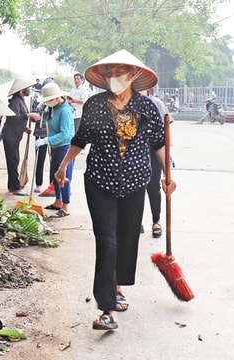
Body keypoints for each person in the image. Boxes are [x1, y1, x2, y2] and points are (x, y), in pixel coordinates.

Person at [54, 49, 176, 331]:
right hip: (100, 181)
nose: (113, 77)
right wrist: (62, 167)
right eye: (109, 73)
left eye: (119, 72)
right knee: (107, 240)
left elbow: (159, 143)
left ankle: (117, 288)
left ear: (133, 75)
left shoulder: (147, 108)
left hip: (135, 182)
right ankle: (107, 307)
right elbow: (80, 139)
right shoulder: (96, 105)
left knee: (127, 237)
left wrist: (169, 176)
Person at [36, 82, 75, 217]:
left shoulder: (65, 110)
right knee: (54, 174)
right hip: (55, 147)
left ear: (56, 98)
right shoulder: (52, 108)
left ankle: (65, 206)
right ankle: (58, 201)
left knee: (63, 177)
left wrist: (47, 140)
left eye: (48, 100)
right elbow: (47, 119)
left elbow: (65, 133)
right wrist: (43, 109)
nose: (47, 102)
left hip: (65, 147)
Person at [140, 88, 174, 238]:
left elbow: (166, 129)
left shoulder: (157, 103)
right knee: (136, 189)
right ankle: (136, 222)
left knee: (153, 186)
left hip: (154, 151)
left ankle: (156, 221)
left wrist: (168, 152)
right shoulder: (127, 103)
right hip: (135, 153)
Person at [2, 78, 41, 195]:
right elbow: (13, 118)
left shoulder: (21, 100)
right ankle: (15, 187)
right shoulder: (15, 101)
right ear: (21, 91)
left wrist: (25, 128)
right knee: (13, 161)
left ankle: (12, 185)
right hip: (10, 136)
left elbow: (18, 118)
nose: (29, 90)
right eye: (27, 88)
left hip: (15, 135)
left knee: (15, 160)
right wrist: (29, 115)